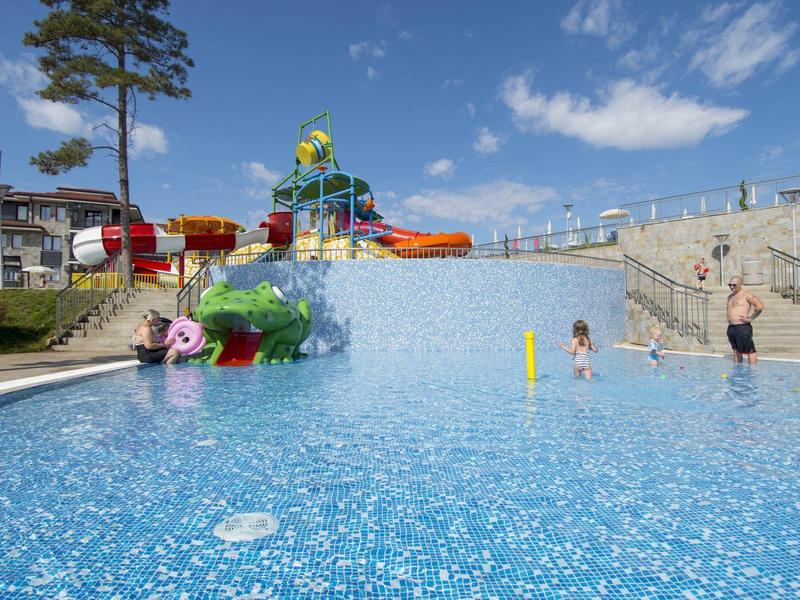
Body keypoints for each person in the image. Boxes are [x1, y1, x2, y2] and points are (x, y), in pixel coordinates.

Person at [726, 276, 764, 364]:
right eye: (730, 285)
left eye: (734, 285)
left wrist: (751, 318)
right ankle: (738, 370)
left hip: (742, 327)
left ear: (740, 284)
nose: (731, 287)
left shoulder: (746, 295)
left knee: (750, 351)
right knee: (736, 350)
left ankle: (752, 371)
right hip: (731, 327)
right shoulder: (730, 296)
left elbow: (760, 306)